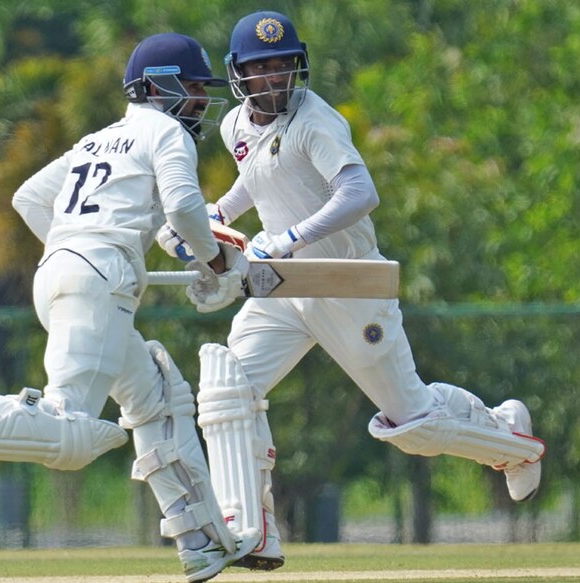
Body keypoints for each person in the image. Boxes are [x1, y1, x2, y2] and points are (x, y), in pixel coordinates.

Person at [157, 11, 545, 571]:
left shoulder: (316, 121)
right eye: (261, 68)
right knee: (226, 390)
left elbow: (359, 193)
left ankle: (511, 438)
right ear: (238, 75)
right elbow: (261, 176)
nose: (274, 78)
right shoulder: (234, 126)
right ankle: (253, 530)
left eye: (283, 66)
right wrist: (215, 212)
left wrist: (287, 239)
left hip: (346, 285)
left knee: (414, 423)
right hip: (284, 289)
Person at [0, 32, 258, 583]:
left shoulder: (97, 140)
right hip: (95, 279)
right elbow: (182, 206)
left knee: (158, 396)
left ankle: (201, 542)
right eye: (194, 88)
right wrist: (219, 264)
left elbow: (29, 198)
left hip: (62, 272)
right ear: (158, 87)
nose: (200, 101)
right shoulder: (167, 133)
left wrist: (77, 246)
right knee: (72, 433)